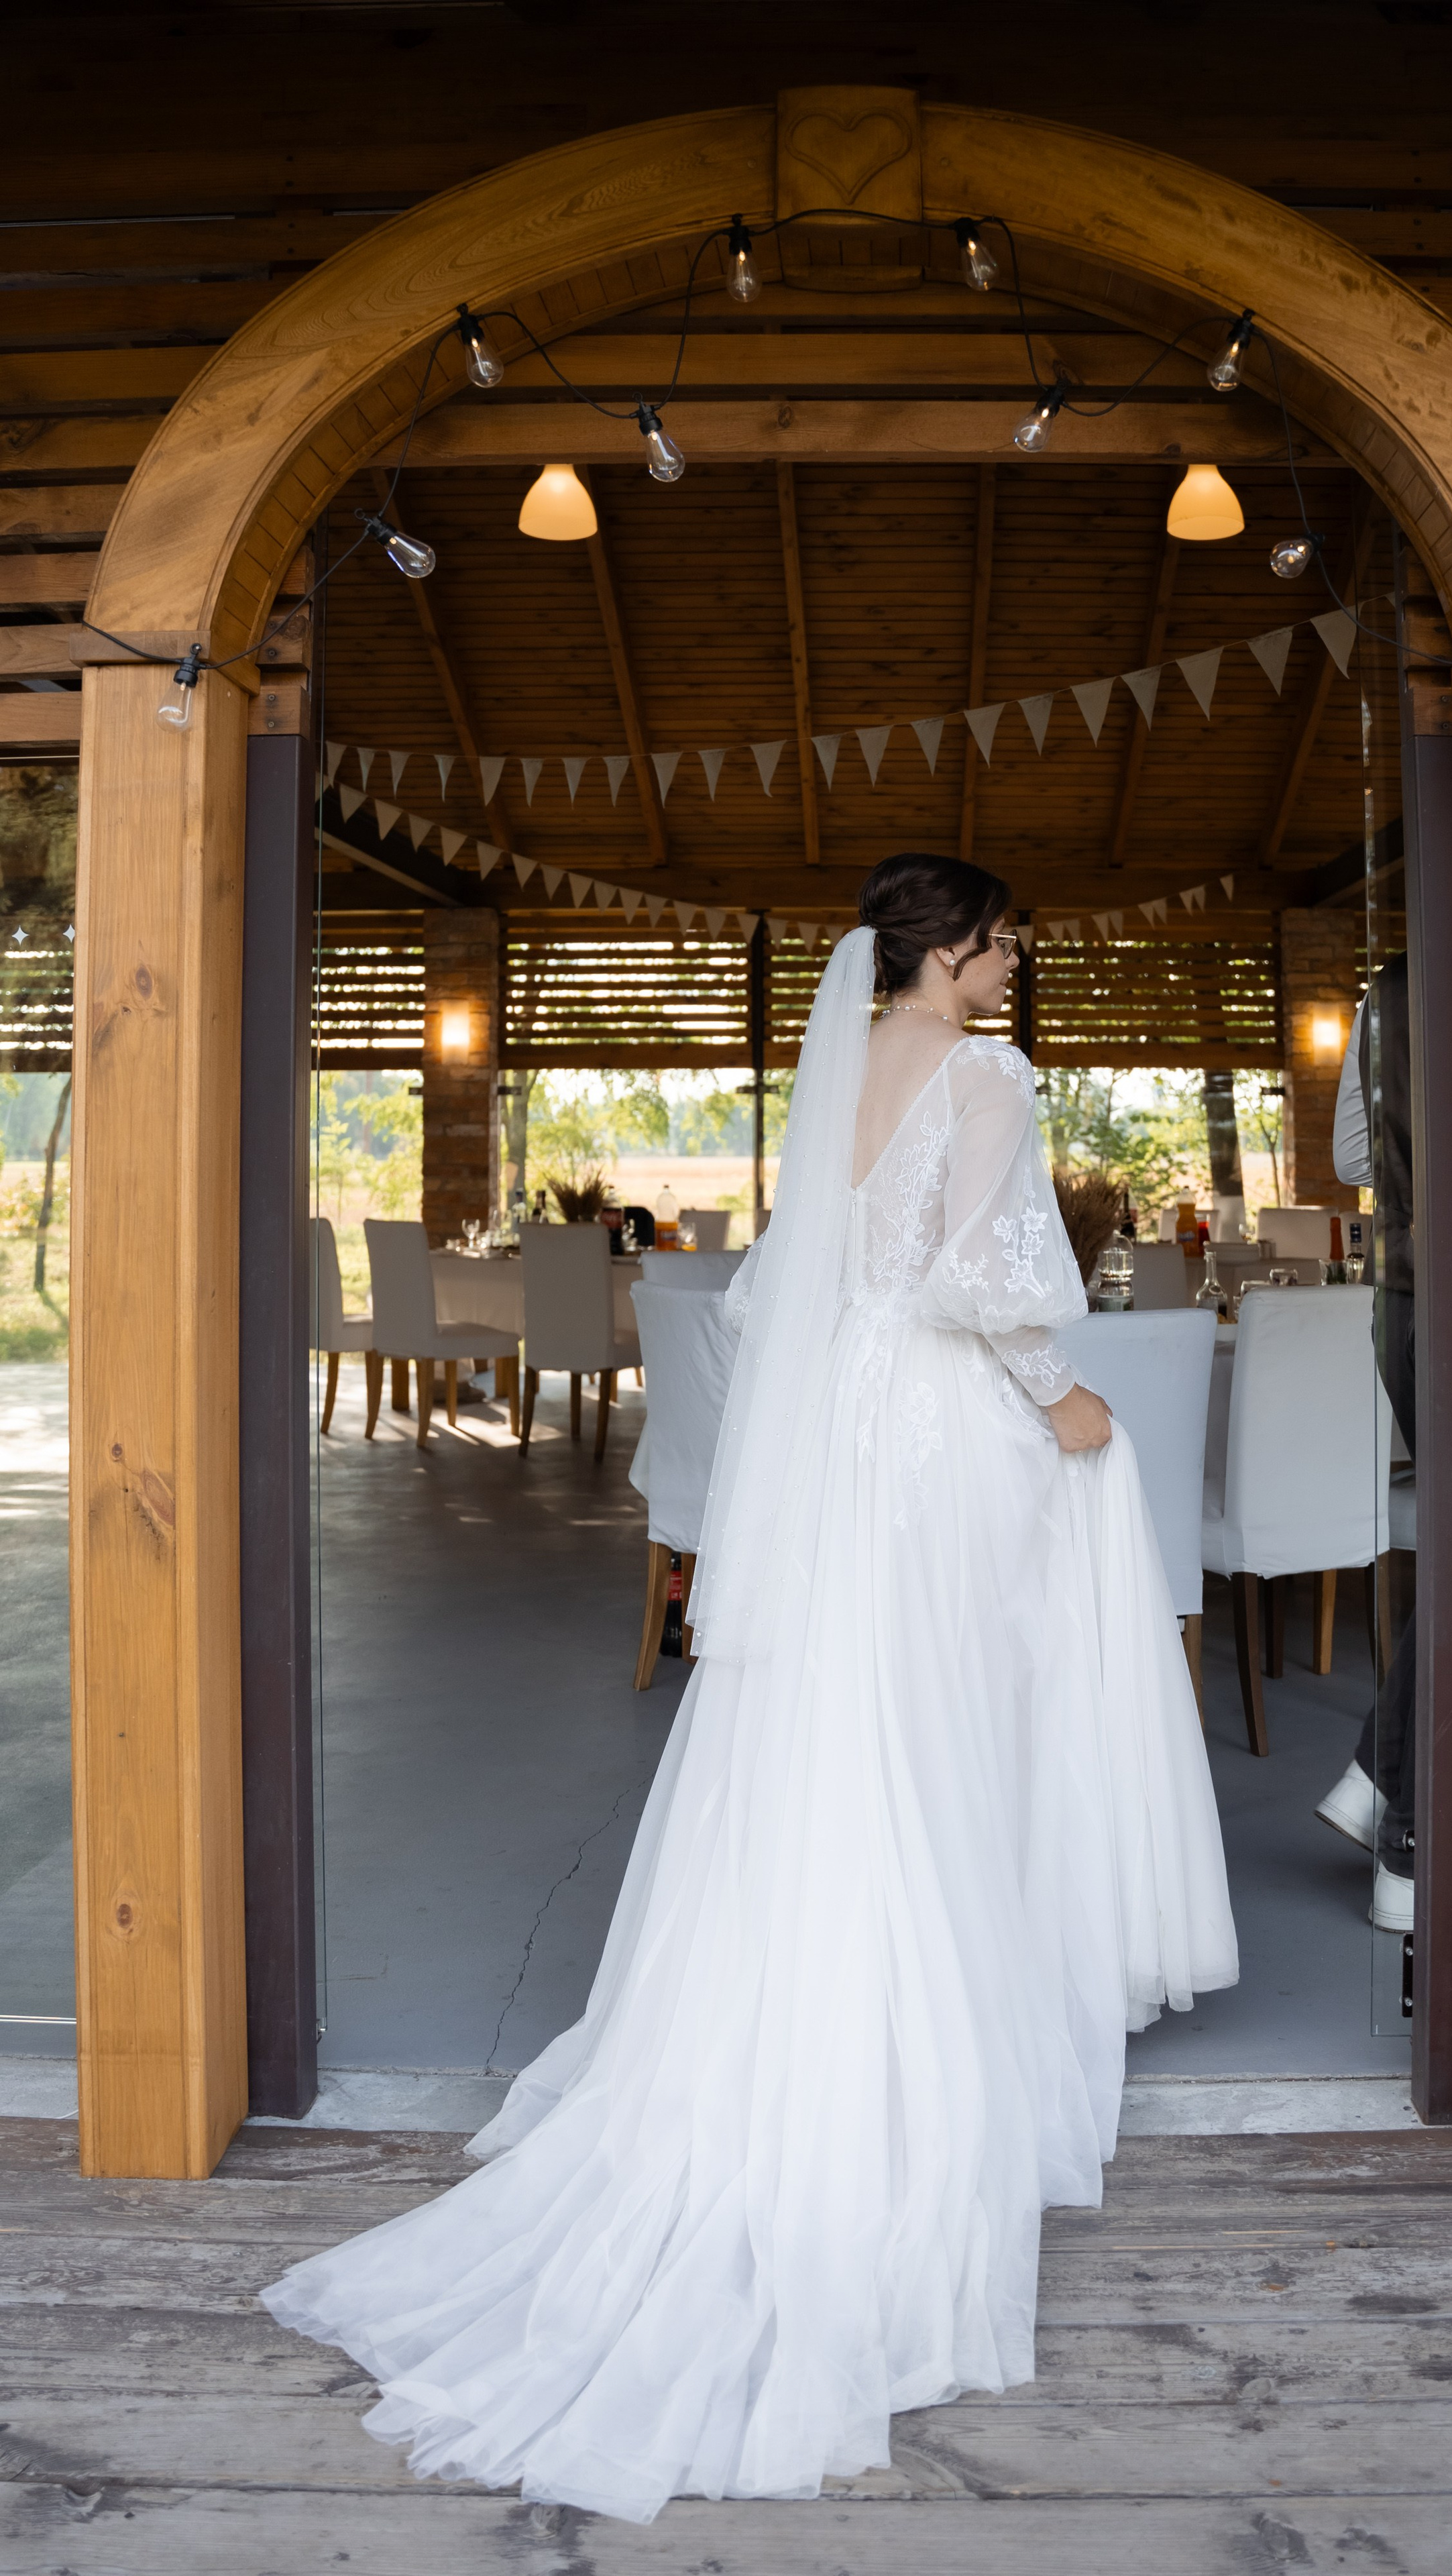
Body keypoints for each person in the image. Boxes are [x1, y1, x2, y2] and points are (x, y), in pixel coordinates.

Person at [262, 854, 1237, 2522]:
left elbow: (833, 1268)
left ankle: (807, 1979)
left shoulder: (844, 1063)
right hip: (939, 1422)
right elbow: (967, 1276)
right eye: (1002, 945)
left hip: (850, 1423)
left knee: (844, 1711)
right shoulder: (983, 1071)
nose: (1012, 971)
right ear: (949, 950)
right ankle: (943, 2000)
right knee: (949, 1709)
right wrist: (1063, 1392)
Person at [1315, 949, 1414, 1932]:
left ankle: (1379, 1783)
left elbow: (1354, 1163)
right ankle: (1403, 1831)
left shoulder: (1383, 991)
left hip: (1409, 1296)